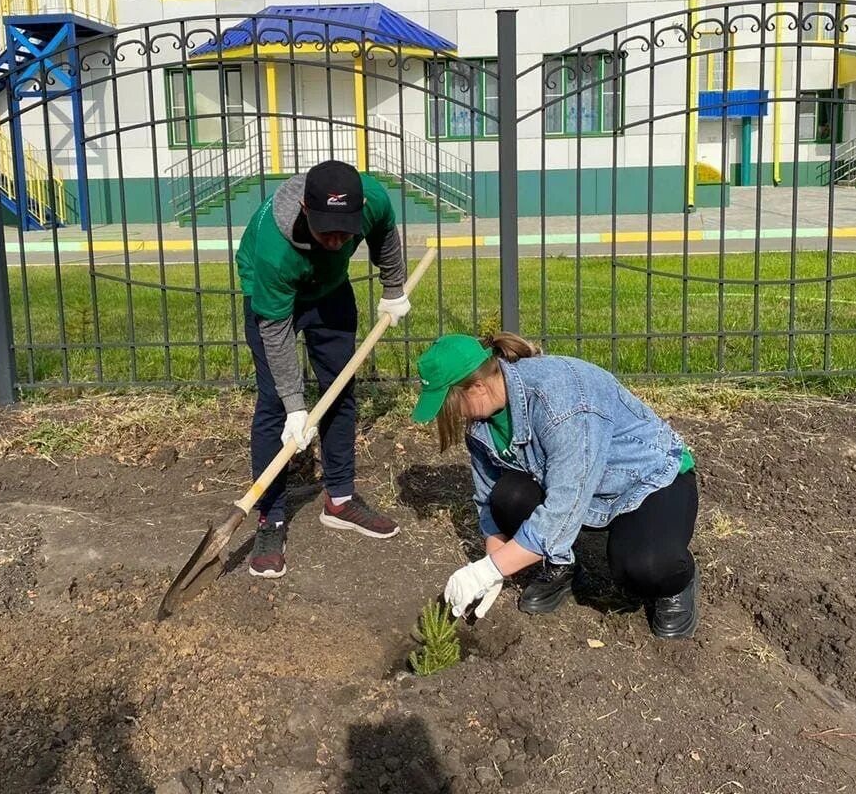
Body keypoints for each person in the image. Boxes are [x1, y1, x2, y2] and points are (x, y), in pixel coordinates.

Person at [411, 333, 701, 639]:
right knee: (507, 497)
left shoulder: (562, 401)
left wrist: (488, 570)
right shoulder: (481, 425)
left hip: (646, 480)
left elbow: (562, 513)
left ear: (478, 387)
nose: (452, 414)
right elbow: (488, 502)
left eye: (449, 403)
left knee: (644, 568)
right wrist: (493, 569)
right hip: (580, 490)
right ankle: (563, 566)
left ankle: (677, 583)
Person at [236, 159, 411, 578]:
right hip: (275, 299)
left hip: (331, 291)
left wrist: (393, 287)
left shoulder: (372, 199)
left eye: (345, 230)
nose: (337, 241)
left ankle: (340, 498)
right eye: (327, 230)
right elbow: (275, 335)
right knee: (275, 403)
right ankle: (271, 516)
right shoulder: (273, 250)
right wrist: (297, 406)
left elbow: (385, 232)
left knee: (340, 390)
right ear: (305, 211)